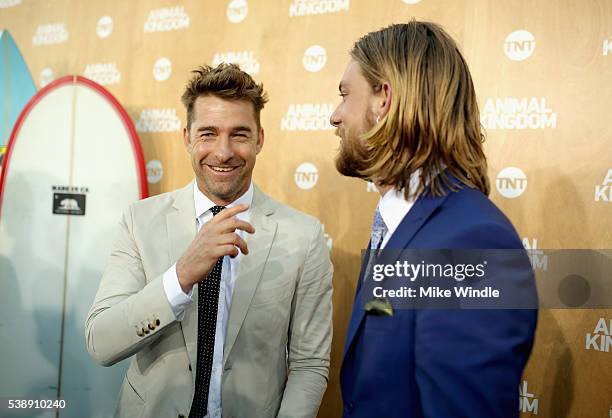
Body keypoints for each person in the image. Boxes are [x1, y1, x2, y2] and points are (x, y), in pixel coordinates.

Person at [86, 63, 333, 418]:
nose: (223, 151)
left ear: (260, 138)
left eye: (239, 134)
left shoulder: (304, 236)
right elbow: (101, 343)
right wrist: (181, 276)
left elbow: (310, 365)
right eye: (208, 134)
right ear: (187, 137)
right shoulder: (140, 221)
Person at [330, 21, 537, 417]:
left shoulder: (471, 242)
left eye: (345, 95)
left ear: (383, 99)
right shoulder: (397, 224)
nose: (334, 116)